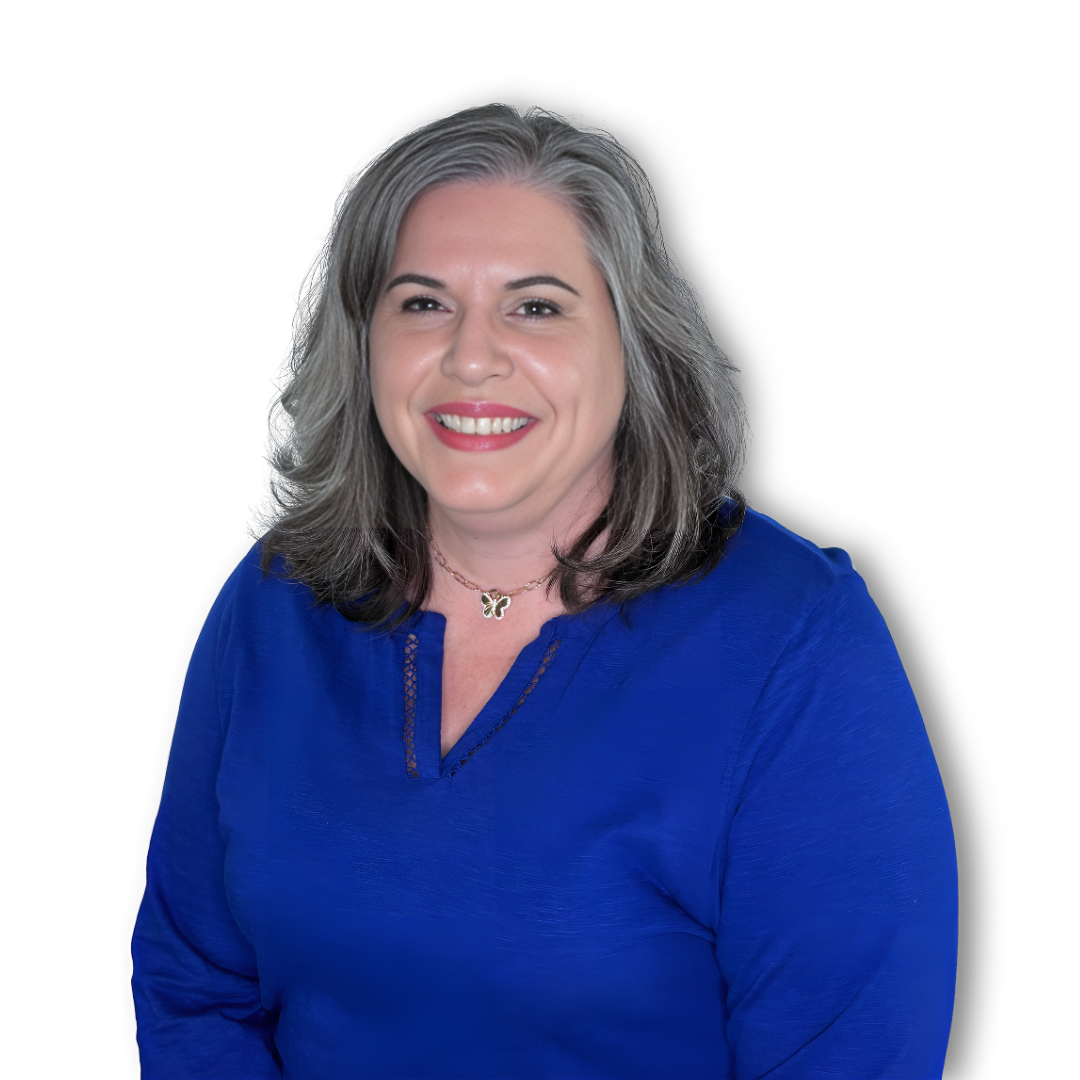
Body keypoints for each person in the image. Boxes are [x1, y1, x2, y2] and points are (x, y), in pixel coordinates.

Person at [131, 103, 957, 1079]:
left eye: (536, 305)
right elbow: (194, 981)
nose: (470, 358)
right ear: (363, 345)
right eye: (422, 302)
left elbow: (851, 1059)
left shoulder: (797, 644)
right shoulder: (270, 602)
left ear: (630, 345)